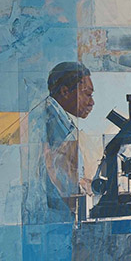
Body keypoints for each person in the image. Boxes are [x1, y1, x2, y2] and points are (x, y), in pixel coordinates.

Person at [23, 61, 94, 224]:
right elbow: (63, 188)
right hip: (53, 221)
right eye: (87, 94)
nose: (91, 102)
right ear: (65, 92)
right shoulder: (54, 126)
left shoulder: (57, 120)